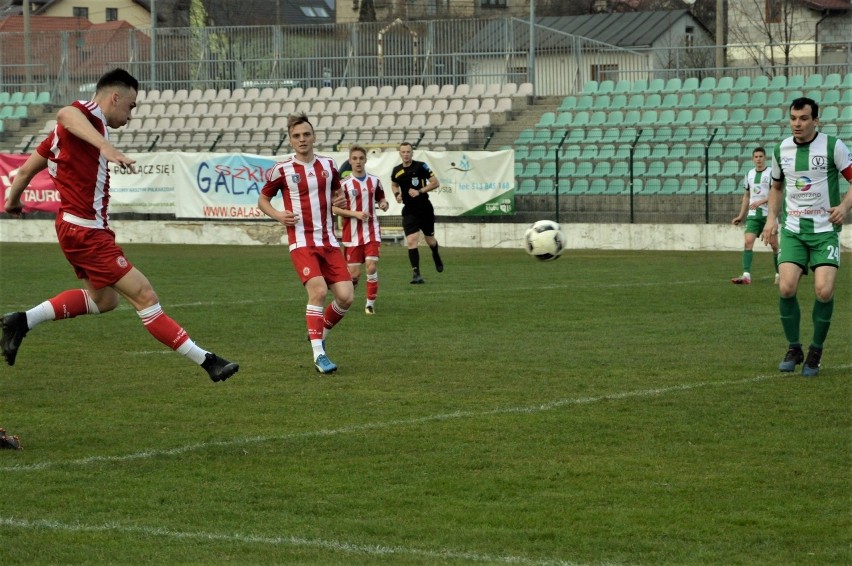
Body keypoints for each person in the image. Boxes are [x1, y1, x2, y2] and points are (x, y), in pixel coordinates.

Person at [1, 68, 239, 382]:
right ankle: (208, 362)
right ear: (115, 97)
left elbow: (23, 174)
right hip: (86, 232)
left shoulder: (63, 137)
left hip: (76, 228)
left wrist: (12, 202)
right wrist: (104, 147)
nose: (130, 114)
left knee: (105, 300)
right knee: (144, 295)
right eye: (131, 105)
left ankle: (23, 320)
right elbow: (66, 112)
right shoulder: (89, 116)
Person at [760, 96, 852, 377]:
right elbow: (776, 188)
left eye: (803, 119)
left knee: (823, 292)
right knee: (786, 288)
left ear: (815, 121)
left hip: (824, 231)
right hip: (793, 230)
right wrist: (771, 219)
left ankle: (815, 350)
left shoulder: (833, 146)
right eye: (793, 118)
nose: (797, 124)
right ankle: (794, 348)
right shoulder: (780, 149)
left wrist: (844, 207)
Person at [257, 112, 353, 374]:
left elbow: (337, 192)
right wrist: (278, 215)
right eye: (297, 136)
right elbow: (263, 200)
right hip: (301, 241)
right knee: (319, 291)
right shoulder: (283, 169)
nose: (302, 139)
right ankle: (319, 353)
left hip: (329, 241)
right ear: (290, 141)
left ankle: (317, 333)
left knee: (346, 298)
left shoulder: (328, 165)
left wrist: (340, 201)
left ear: (314, 137)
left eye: (306, 135)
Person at [333, 145, 389, 315]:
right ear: (350, 161)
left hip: (372, 230)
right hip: (352, 234)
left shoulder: (375, 181)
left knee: (371, 267)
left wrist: (384, 204)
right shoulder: (343, 185)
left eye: (361, 158)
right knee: (354, 274)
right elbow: (334, 209)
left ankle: (370, 304)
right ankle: (348, 293)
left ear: (365, 160)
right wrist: (354, 213)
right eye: (354, 158)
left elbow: (381, 198)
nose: (358, 161)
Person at [391, 142, 443, 284]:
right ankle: (416, 274)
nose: (406, 154)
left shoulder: (421, 166)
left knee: (430, 240)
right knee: (411, 240)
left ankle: (436, 254)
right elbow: (394, 184)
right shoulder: (397, 170)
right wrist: (397, 195)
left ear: (412, 153)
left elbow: (435, 182)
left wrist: (419, 191)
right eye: (403, 152)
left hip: (424, 209)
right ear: (400, 153)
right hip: (409, 210)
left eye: (408, 151)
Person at [731, 147, 779, 285]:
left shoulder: (771, 173)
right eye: (756, 157)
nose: (758, 159)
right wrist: (741, 215)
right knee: (748, 242)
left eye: (761, 156)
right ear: (753, 159)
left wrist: (761, 201)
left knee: (774, 245)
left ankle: (779, 273)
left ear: (765, 158)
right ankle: (746, 275)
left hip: (768, 215)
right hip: (753, 216)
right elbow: (746, 196)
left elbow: (775, 193)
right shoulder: (749, 174)